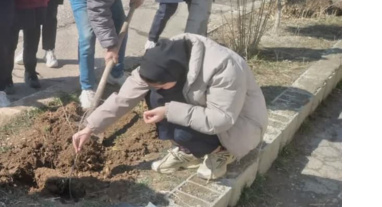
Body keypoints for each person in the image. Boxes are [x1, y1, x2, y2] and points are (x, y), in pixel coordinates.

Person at [72, 35, 268, 180]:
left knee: (176, 122)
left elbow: (221, 119)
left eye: (161, 84)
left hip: (236, 127)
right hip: (205, 112)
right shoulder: (162, 59)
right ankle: (190, 151)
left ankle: (221, 151)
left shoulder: (223, 67)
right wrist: (91, 127)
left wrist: (169, 111)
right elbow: (124, 98)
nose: (157, 88)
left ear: (174, 74)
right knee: (155, 96)